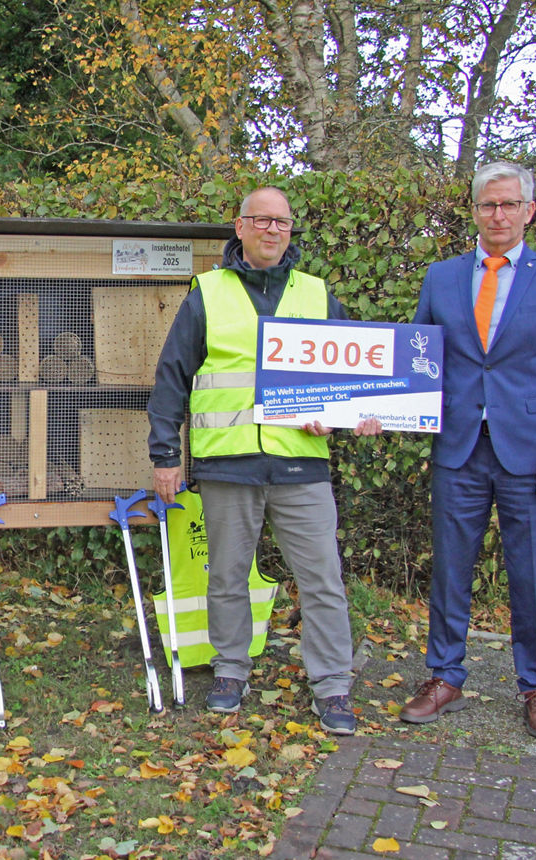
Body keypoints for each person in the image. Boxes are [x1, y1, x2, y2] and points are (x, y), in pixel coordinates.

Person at [147, 187, 380, 735]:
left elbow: (358, 376)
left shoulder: (318, 295)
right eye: (262, 220)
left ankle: (332, 684)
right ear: (240, 226)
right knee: (226, 575)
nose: (273, 230)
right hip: (229, 464)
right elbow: (171, 378)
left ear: (291, 230)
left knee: (322, 578)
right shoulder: (207, 293)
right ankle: (230, 670)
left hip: (301, 466)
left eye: (282, 222)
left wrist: (361, 412)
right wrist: (164, 456)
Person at [400, 162, 536, 740]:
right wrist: (379, 407)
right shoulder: (442, 277)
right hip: (458, 448)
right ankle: (444, 677)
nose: (498, 215)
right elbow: (417, 360)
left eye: (509, 205)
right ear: (475, 211)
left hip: (530, 455)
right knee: (451, 570)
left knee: (532, 573)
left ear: (529, 212)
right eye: (488, 205)